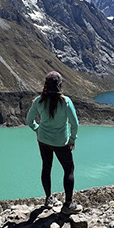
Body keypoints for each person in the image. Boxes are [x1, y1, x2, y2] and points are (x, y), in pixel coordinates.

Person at [26, 71, 82, 215]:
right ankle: (68, 205)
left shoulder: (39, 100)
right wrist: (72, 140)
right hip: (61, 142)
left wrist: (37, 129)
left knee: (46, 167)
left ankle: (48, 199)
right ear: (59, 85)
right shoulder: (66, 102)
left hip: (43, 140)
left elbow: (29, 120)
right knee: (69, 169)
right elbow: (75, 124)